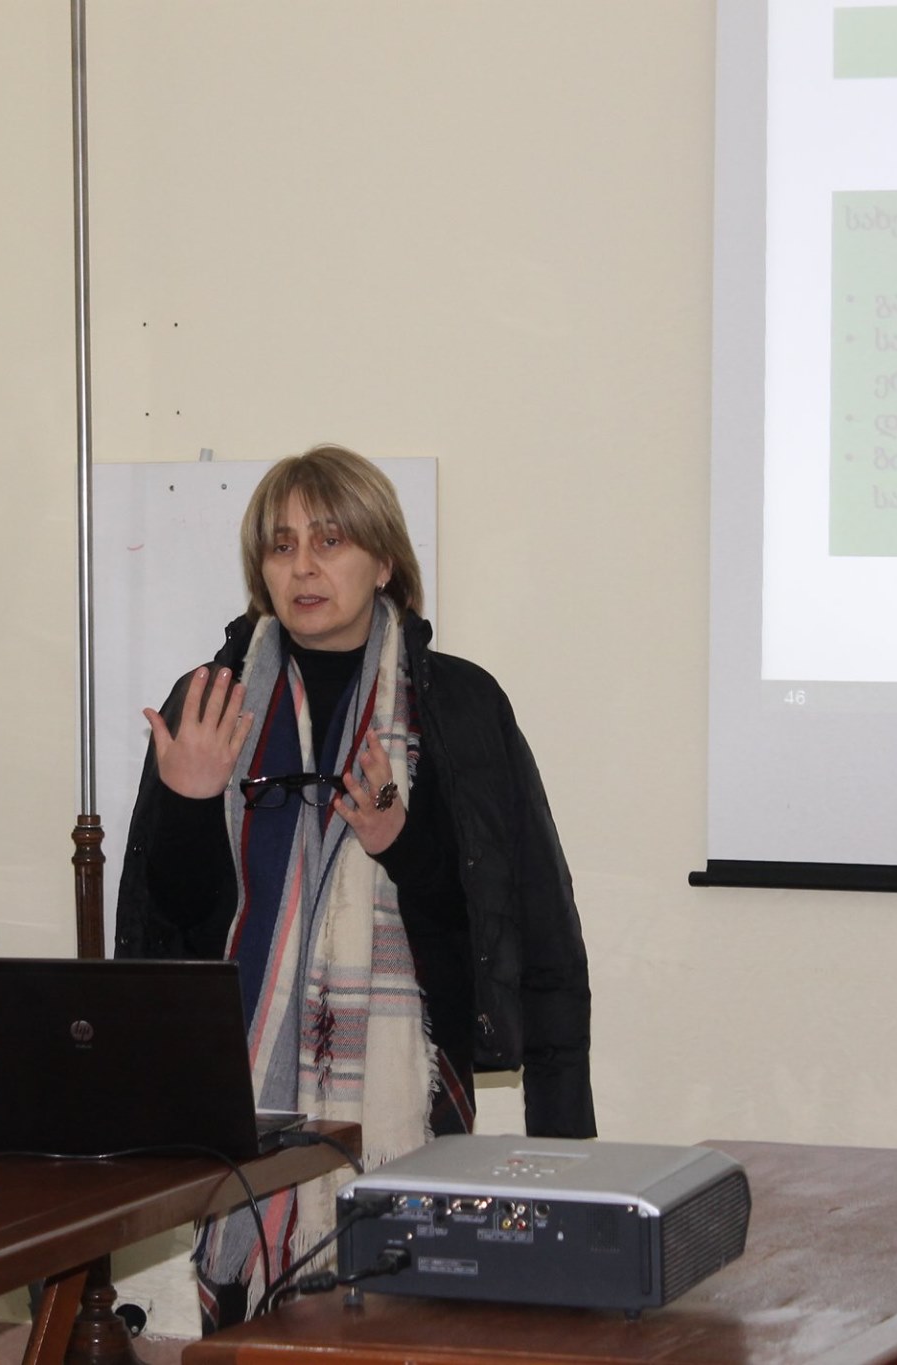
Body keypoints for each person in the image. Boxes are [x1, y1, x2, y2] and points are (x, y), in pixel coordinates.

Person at [115, 444, 594, 1322]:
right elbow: (176, 924)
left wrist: (400, 844)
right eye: (282, 544)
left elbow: (512, 928)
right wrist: (187, 803)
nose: (303, 566)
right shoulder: (212, 702)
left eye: (330, 540)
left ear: (383, 562)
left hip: (401, 1099)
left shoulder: (457, 706)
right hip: (242, 1104)